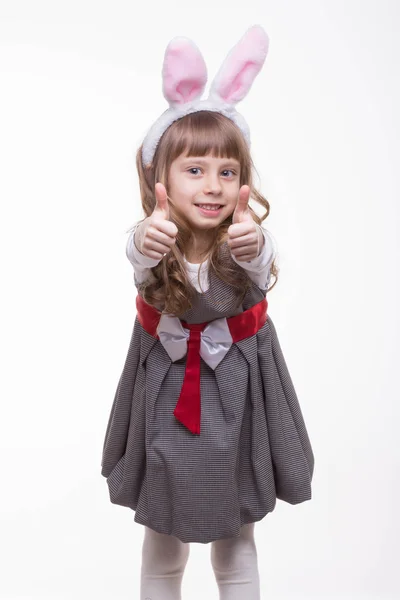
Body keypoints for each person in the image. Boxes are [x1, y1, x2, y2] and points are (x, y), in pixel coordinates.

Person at [101, 24, 314, 600]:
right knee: (163, 544)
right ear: (160, 179)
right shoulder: (153, 239)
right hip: (166, 397)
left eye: (227, 172)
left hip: (236, 398)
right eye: (194, 170)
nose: (213, 186)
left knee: (236, 538)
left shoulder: (245, 237)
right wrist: (146, 243)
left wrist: (254, 247)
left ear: (244, 182)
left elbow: (261, 258)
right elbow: (138, 255)